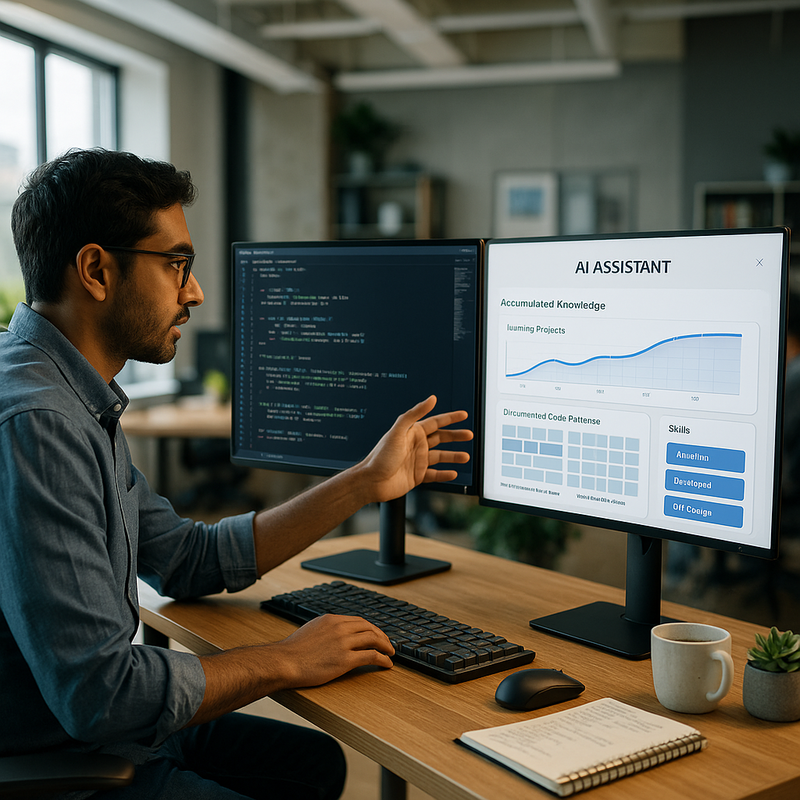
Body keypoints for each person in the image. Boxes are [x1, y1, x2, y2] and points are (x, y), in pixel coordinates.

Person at [0, 148, 473, 799]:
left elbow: (186, 559)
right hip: (69, 759)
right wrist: (285, 660)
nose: (193, 291)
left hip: (103, 732)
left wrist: (364, 479)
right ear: (96, 270)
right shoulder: (39, 422)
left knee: (314, 765)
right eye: (176, 265)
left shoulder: (69, 394)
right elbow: (100, 695)